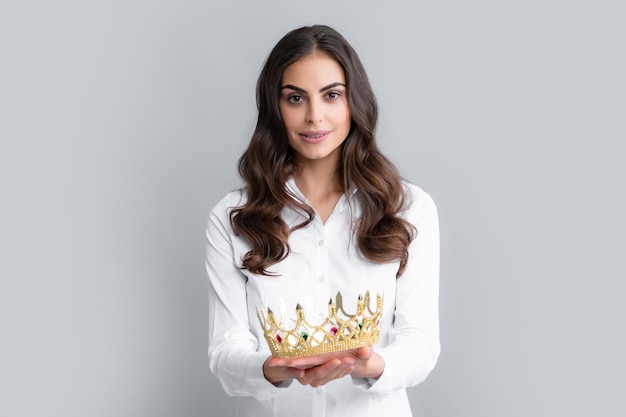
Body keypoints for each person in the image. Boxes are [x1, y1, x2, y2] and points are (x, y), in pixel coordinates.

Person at [205, 24, 440, 417]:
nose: (314, 116)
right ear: (275, 108)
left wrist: (370, 365)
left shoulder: (408, 208)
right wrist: (272, 369)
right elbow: (225, 351)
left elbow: (420, 341)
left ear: (355, 102)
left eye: (332, 95)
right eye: (295, 98)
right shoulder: (233, 219)